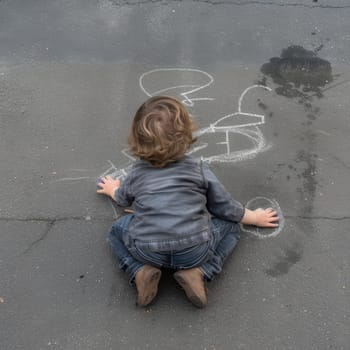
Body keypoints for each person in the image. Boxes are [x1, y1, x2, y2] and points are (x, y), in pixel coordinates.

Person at [97, 96, 279, 308]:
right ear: (186, 135)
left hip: (148, 250)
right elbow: (225, 208)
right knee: (231, 227)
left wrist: (113, 189)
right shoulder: (198, 169)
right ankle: (201, 271)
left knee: (116, 230)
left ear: (137, 139)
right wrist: (255, 217)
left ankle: (138, 270)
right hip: (194, 251)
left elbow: (122, 199)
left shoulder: (137, 172)